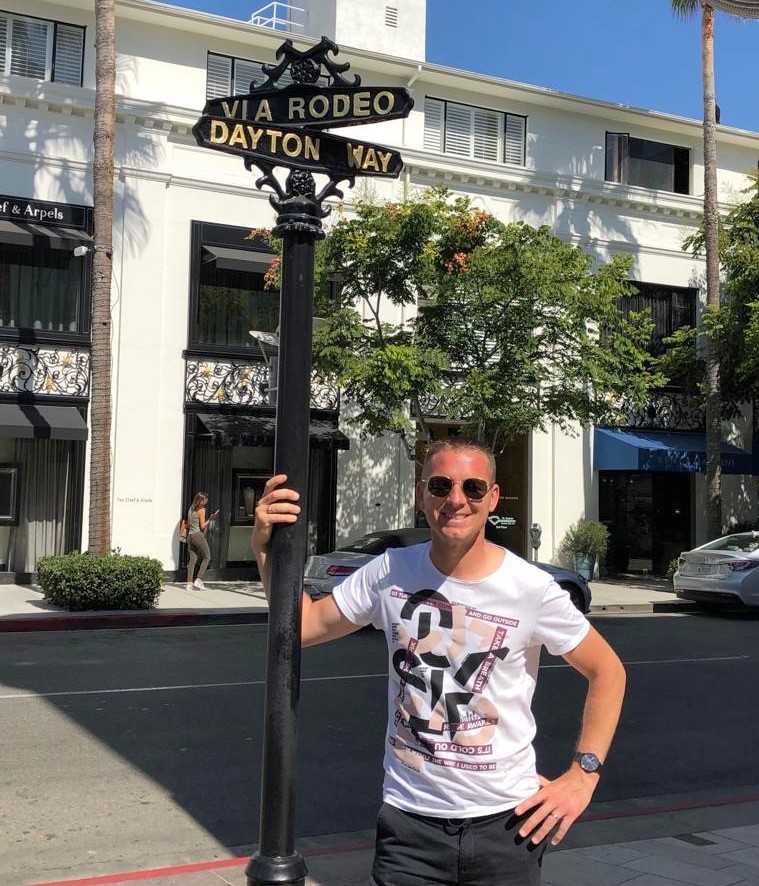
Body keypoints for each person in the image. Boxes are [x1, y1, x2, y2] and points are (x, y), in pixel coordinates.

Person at [251, 438, 626, 886]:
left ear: (493, 498)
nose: (456, 499)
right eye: (441, 485)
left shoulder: (531, 588)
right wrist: (265, 549)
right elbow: (306, 625)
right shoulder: (390, 570)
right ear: (421, 494)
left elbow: (607, 671)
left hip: (508, 825)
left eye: (473, 487)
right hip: (409, 827)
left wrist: (583, 776)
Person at [186, 492, 218, 590]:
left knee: (192, 560)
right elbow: (203, 526)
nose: (206, 501)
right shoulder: (201, 510)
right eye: (205, 500)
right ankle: (198, 580)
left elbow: (189, 523)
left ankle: (189, 583)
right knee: (207, 557)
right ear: (201, 500)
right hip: (198, 535)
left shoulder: (191, 508)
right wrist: (211, 519)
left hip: (190, 536)